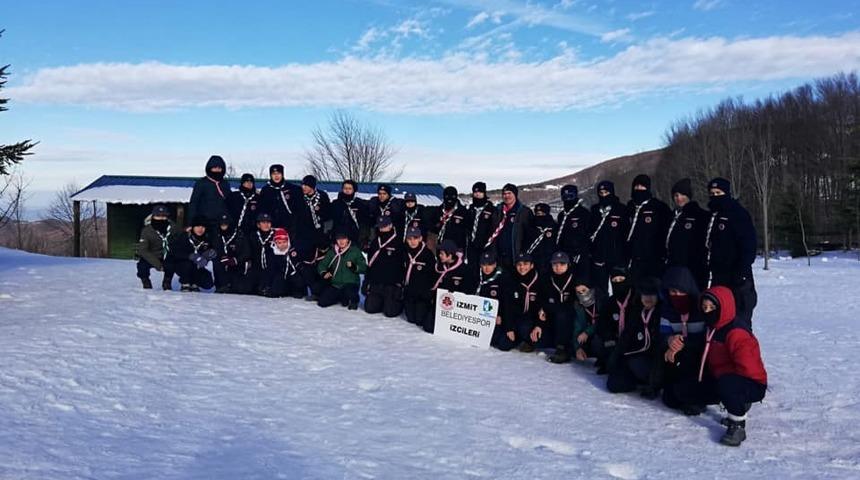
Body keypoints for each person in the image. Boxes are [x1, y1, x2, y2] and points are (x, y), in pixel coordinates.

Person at [669, 286, 767, 447]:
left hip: (750, 382)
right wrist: (680, 344)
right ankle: (722, 399)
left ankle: (737, 424)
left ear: (724, 307)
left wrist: (734, 392)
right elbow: (699, 344)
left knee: (728, 384)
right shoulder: (713, 328)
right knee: (680, 391)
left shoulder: (737, 333)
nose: (707, 311)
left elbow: (749, 369)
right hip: (721, 379)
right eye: (705, 307)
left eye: (712, 307)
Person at [705, 177, 758, 331]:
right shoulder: (712, 216)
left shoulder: (737, 214)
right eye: (712, 193)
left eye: (719, 192)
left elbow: (749, 245)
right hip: (717, 276)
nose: (715, 196)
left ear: (726, 193)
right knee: (719, 317)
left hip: (737, 278)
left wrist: (741, 272)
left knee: (739, 319)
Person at [659, 266, 707, 411]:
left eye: (682, 291)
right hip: (676, 359)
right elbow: (663, 334)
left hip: (701, 361)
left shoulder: (702, 309)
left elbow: (708, 338)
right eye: (673, 292)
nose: (677, 295)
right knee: (670, 399)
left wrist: (683, 343)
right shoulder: (667, 311)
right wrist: (669, 341)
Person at [606, 276, 663, 398]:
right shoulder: (637, 312)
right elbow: (625, 338)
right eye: (644, 295)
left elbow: (660, 349)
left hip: (653, 363)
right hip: (634, 358)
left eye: (651, 295)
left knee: (637, 364)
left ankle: (652, 382)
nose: (648, 299)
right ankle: (637, 381)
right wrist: (614, 359)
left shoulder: (662, 315)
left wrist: (654, 383)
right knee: (614, 384)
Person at [625, 174, 671, 284]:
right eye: (636, 187)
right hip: (633, 259)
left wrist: (663, 254)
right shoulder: (629, 207)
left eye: (642, 187)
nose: (639, 189)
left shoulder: (659, 207)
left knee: (653, 290)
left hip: (653, 258)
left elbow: (666, 232)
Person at [665, 178, 710, 290]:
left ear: (689, 196)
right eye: (676, 195)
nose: (679, 198)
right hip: (672, 268)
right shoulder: (671, 216)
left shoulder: (700, 216)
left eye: (682, 195)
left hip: (693, 271)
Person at [426, 239, 474, 333]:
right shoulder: (439, 266)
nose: (439, 256)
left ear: (450, 254)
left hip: (456, 307)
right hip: (440, 304)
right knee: (428, 326)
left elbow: (468, 290)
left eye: (442, 253)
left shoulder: (464, 269)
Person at [590, 180, 629, 294]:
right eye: (600, 193)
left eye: (606, 192)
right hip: (599, 257)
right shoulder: (595, 210)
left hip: (617, 256)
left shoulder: (621, 209)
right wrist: (593, 252)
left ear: (611, 192)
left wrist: (624, 256)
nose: (603, 195)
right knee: (600, 289)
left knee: (619, 288)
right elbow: (590, 232)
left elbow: (626, 234)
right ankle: (603, 311)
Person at [539, 252, 577, 363]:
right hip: (552, 315)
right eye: (555, 264)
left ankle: (562, 349)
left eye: (562, 264)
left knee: (563, 315)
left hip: (570, 317)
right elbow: (542, 299)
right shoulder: (547, 279)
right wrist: (542, 309)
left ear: (568, 265)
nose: (558, 267)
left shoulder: (574, 279)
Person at [363, 216, 406, 317]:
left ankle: (396, 302)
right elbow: (370, 263)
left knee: (390, 312)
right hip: (377, 282)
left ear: (391, 225)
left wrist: (400, 284)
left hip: (391, 283)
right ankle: (381, 300)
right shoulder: (375, 242)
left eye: (385, 226)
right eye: (380, 227)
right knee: (369, 308)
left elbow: (403, 265)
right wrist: (367, 281)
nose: (382, 229)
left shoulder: (399, 242)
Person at [595, 266, 634, 374]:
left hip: (632, 340)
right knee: (598, 342)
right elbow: (602, 324)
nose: (618, 283)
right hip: (615, 339)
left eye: (621, 280)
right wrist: (609, 337)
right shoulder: (610, 302)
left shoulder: (636, 299)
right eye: (615, 281)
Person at [485, 183, 533, 272]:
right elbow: (492, 231)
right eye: (504, 194)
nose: (506, 196)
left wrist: (524, 253)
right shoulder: (497, 211)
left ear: (515, 194)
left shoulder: (524, 212)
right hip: (499, 256)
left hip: (516, 256)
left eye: (509, 193)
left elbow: (529, 235)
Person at [474, 250, 515, 351]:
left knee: (504, 344)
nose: (486, 268)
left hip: (498, 318)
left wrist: (508, 327)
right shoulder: (476, 276)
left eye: (490, 264)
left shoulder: (503, 277)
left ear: (495, 264)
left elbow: (507, 303)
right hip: (477, 317)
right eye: (484, 264)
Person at [317, 229, 367, 310]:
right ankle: (340, 297)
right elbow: (322, 265)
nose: (341, 241)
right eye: (339, 239)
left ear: (348, 239)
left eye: (343, 238)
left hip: (350, 283)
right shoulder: (332, 252)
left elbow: (364, 267)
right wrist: (324, 273)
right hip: (336, 284)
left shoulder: (355, 251)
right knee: (322, 302)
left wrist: (355, 267)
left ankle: (353, 300)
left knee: (350, 293)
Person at [167, 215, 216, 292]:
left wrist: (209, 254)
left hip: (198, 266)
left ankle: (195, 283)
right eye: (197, 226)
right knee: (187, 264)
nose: (200, 229)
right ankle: (185, 284)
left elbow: (213, 249)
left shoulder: (207, 238)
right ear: (193, 227)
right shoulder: (184, 237)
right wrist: (190, 256)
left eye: (203, 227)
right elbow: (175, 251)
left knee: (207, 283)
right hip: (182, 265)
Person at [506, 253, 543, 353]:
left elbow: (543, 308)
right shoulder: (512, 280)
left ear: (532, 265)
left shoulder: (540, 281)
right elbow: (508, 306)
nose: (522, 267)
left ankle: (527, 340)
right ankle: (520, 339)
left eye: (526, 264)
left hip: (533, 319)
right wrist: (509, 328)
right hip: (517, 318)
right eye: (519, 264)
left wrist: (538, 325)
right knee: (504, 344)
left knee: (537, 338)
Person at [135, 204, 177, 290]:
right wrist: (158, 264)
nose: (161, 218)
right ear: (153, 216)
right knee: (142, 266)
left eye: (164, 216)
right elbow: (143, 250)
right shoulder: (147, 230)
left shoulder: (173, 228)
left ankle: (167, 282)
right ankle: (146, 282)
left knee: (172, 263)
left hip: (167, 255)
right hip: (152, 255)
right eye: (158, 216)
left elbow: (180, 242)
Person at [402, 226, 437, 328]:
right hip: (409, 291)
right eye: (409, 239)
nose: (412, 241)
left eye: (415, 238)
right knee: (411, 319)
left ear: (421, 238)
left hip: (422, 293)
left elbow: (432, 275)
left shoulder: (428, 254)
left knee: (419, 319)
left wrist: (428, 293)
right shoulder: (404, 251)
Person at [555, 184, 591, 275]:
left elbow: (588, 235)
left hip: (580, 255)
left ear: (575, 196)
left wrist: (582, 253)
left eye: (570, 196)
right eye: (565, 197)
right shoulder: (561, 215)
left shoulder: (584, 213)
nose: (568, 200)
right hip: (564, 255)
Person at [188, 155, 230, 232]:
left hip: (221, 223)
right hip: (204, 223)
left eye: (219, 168)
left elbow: (229, 202)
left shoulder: (225, 184)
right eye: (215, 168)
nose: (217, 170)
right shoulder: (201, 183)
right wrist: (191, 222)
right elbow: (194, 203)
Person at [212, 212, 250, 294]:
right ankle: (221, 285)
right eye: (222, 224)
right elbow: (214, 249)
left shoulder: (239, 235)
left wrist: (235, 260)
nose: (224, 226)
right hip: (222, 263)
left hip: (236, 263)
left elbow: (246, 252)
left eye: (226, 224)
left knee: (239, 289)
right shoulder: (216, 235)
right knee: (216, 261)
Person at [293, 175, 331, 253]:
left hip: (319, 232)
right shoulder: (299, 196)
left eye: (306, 185)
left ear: (312, 186)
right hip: (303, 233)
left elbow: (328, 216)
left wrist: (327, 232)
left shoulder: (322, 196)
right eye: (303, 185)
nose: (304, 187)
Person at [266, 228, 308, 298]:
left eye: (284, 242)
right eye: (279, 243)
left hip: (293, 275)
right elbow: (271, 269)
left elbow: (298, 264)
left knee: (298, 280)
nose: (282, 245)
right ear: (275, 243)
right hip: (281, 276)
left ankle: (297, 290)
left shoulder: (293, 251)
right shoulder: (273, 253)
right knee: (276, 288)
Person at [465, 182, 496, 274]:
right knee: (472, 270)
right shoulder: (470, 209)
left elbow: (494, 228)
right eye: (475, 192)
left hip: (485, 246)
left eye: (480, 192)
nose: (477, 194)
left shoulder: (491, 209)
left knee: (484, 271)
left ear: (484, 193)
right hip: (471, 246)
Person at [243, 212, 276, 296]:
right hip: (256, 267)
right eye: (263, 222)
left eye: (268, 222)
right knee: (245, 288)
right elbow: (248, 252)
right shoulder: (253, 236)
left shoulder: (276, 235)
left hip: (271, 268)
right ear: (258, 224)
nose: (266, 225)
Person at [330, 179, 371, 246]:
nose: (347, 190)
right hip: (339, 237)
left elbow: (365, 223)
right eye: (345, 188)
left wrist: (364, 238)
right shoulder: (336, 203)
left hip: (355, 238)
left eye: (349, 188)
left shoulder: (360, 204)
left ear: (354, 190)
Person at [259, 164, 299, 230]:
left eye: (278, 173)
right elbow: (262, 209)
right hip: (271, 226)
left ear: (282, 174)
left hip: (290, 226)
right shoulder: (266, 190)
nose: (276, 176)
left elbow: (298, 208)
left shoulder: (292, 189)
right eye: (274, 174)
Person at [429, 186, 469, 250]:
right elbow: (432, 228)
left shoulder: (463, 212)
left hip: (457, 247)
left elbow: (467, 230)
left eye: (452, 196)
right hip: (441, 247)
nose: (449, 199)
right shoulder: (438, 211)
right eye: (447, 196)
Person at [525, 203, 557, 274]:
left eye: (542, 214)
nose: (540, 216)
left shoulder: (554, 227)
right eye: (538, 214)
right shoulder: (530, 227)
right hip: (533, 261)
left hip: (549, 261)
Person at [226, 173, 261, 237]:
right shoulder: (234, 196)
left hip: (252, 231)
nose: (249, 184)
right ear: (242, 183)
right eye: (246, 182)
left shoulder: (258, 198)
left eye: (251, 182)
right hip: (235, 229)